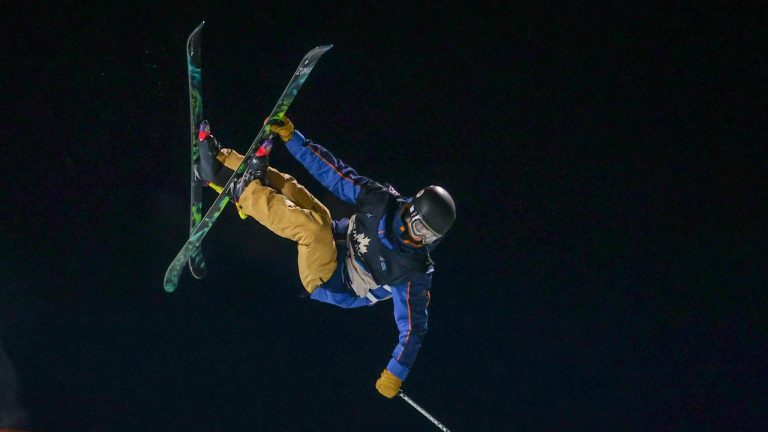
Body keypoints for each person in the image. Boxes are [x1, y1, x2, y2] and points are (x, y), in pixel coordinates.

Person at [196, 117, 456, 398]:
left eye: (430, 237)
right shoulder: (381, 200)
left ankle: (244, 192)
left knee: (312, 229)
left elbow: (414, 328)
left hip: (332, 281)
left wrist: (395, 371)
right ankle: (218, 164)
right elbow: (335, 174)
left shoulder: (414, 269)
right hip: (333, 239)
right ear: (411, 211)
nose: (421, 240)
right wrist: (294, 139)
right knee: (291, 190)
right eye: (420, 229)